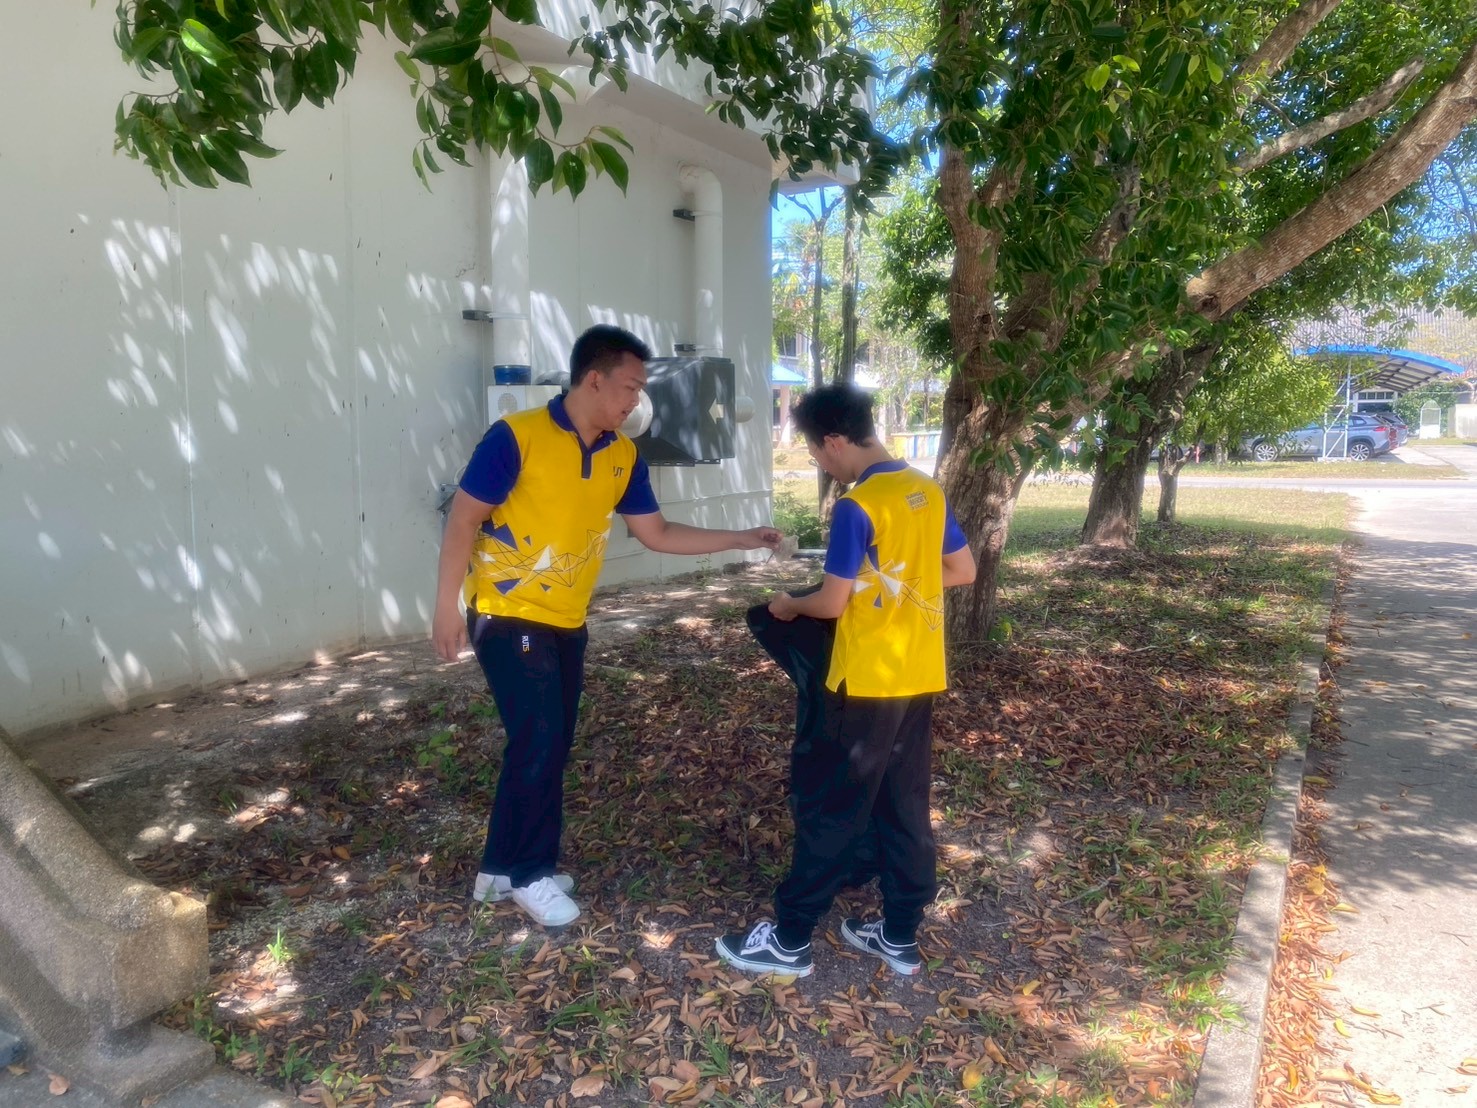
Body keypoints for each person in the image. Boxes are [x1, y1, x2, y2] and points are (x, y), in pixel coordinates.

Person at [432, 324, 780, 927]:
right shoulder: (516, 436)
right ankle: (531, 874)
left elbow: (658, 533)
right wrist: (444, 606)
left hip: (567, 619)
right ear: (594, 380)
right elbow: (463, 519)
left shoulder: (623, 455)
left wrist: (741, 538)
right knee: (539, 740)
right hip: (507, 613)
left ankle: (500, 868)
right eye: (630, 387)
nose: (636, 401)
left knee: (547, 742)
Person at [717, 383, 976, 977]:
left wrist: (789, 603)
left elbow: (832, 603)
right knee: (905, 803)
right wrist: (901, 581)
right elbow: (961, 570)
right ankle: (899, 934)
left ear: (834, 440)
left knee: (832, 805)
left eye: (816, 452)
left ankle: (789, 940)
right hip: (917, 675)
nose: (820, 463)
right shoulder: (926, 490)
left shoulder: (858, 506)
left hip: (861, 683)